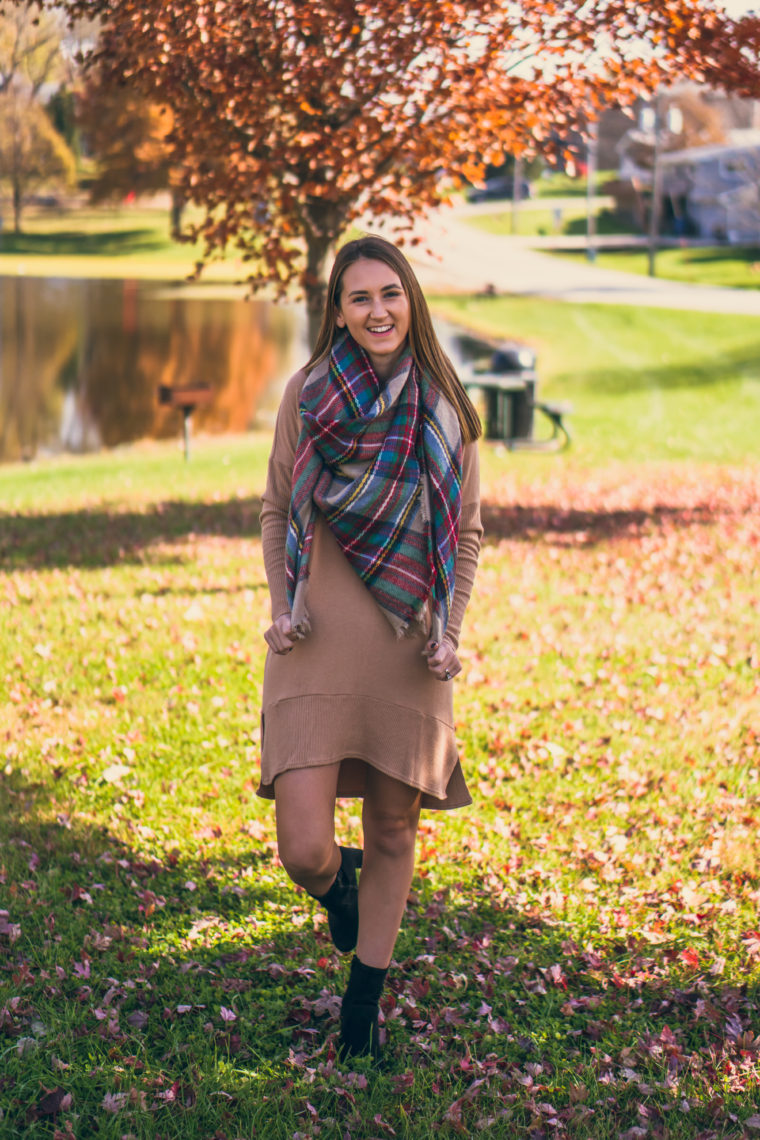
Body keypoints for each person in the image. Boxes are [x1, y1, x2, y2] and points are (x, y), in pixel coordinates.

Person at [258, 235, 483, 1061]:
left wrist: (451, 630)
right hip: (312, 642)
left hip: (407, 644)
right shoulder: (308, 394)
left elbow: (467, 537)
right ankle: (335, 888)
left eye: (391, 293)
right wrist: (281, 607)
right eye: (360, 298)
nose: (379, 310)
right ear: (339, 312)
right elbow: (277, 508)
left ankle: (362, 1010)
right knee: (304, 846)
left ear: (411, 299)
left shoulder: (444, 405)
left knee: (394, 829)